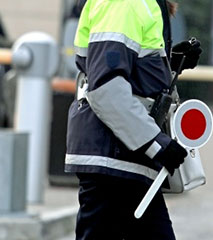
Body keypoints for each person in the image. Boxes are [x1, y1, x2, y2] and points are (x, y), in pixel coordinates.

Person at [65, 0, 201, 239]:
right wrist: (156, 143)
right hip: (115, 160)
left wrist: (170, 63)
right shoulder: (125, 3)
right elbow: (105, 88)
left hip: (122, 158)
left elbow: (124, 75)